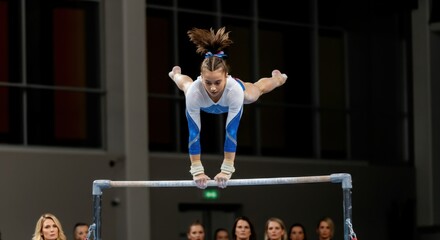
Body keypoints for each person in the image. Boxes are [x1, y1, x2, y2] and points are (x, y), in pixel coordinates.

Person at [168, 27, 288, 189]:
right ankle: (175, 74)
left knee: (254, 93)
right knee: (186, 85)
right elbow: (194, 133)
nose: (212, 88)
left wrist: (227, 169)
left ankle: (277, 79)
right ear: (201, 77)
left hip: (231, 96)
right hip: (198, 96)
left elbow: (231, 131)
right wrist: (197, 170)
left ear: (226, 76)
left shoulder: (234, 90)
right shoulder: (195, 92)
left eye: (217, 82)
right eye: (207, 82)